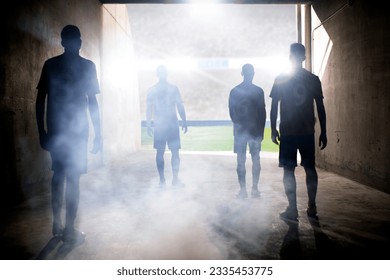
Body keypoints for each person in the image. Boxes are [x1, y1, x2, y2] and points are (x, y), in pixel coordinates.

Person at [36, 25, 102, 243]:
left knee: (58, 176)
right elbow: (92, 103)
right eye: (75, 41)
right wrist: (98, 133)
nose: (75, 44)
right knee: (72, 179)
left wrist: (42, 131)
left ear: (63, 42)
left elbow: (40, 101)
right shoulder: (87, 66)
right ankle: (69, 229)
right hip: (77, 131)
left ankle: (58, 223)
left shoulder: (51, 64)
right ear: (77, 42)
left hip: (58, 129)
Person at [270, 42, 327, 221]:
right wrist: (323, 131)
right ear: (304, 57)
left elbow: (273, 106)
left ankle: (293, 209)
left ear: (289, 57)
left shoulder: (281, 78)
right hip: (307, 131)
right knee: (310, 168)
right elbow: (321, 107)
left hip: (288, 131)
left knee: (288, 170)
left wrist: (273, 128)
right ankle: (312, 205)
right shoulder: (313, 79)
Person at [228, 64, 266, 199]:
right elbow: (262, 113)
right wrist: (260, 131)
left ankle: (243, 190)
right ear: (253, 73)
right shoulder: (258, 91)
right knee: (255, 160)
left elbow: (232, 113)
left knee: (241, 161)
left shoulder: (235, 91)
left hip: (241, 131)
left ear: (242, 73)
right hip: (254, 131)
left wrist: (239, 126)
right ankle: (254, 189)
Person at [146, 65, 188, 187]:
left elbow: (149, 109)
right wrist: (184, 120)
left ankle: (162, 180)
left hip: (161, 125)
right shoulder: (173, 88)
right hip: (171, 124)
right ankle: (174, 180)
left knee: (160, 152)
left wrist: (149, 124)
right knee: (174, 152)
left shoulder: (152, 89)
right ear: (166, 73)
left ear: (157, 74)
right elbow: (179, 106)